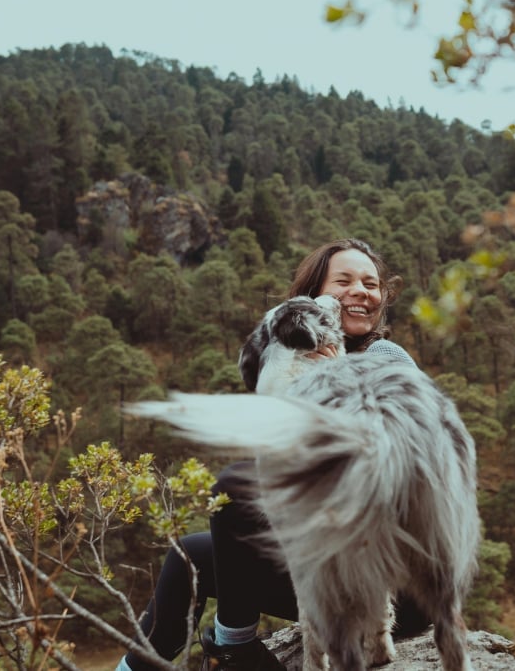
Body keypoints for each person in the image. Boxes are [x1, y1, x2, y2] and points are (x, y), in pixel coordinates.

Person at [118, 239, 426, 671]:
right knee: (190, 555)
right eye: (345, 280)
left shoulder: (385, 356)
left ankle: (234, 646)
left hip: (395, 590)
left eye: (371, 284)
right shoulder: (299, 360)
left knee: (236, 485)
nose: (362, 291)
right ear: (313, 293)